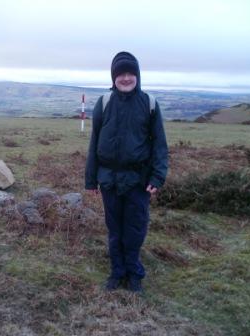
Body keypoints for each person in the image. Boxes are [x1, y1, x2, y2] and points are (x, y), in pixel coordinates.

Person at [85, 51, 168, 292]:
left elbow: (160, 145)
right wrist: (91, 180)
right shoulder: (104, 103)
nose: (126, 78)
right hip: (109, 179)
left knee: (134, 228)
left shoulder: (149, 104)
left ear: (137, 76)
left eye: (130, 73)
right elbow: (94, 142)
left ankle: (134, 274)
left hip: (138, 181)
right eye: (120, 73)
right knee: (115, 229)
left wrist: (157, 176)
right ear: (113, 77)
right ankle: (116, 272)